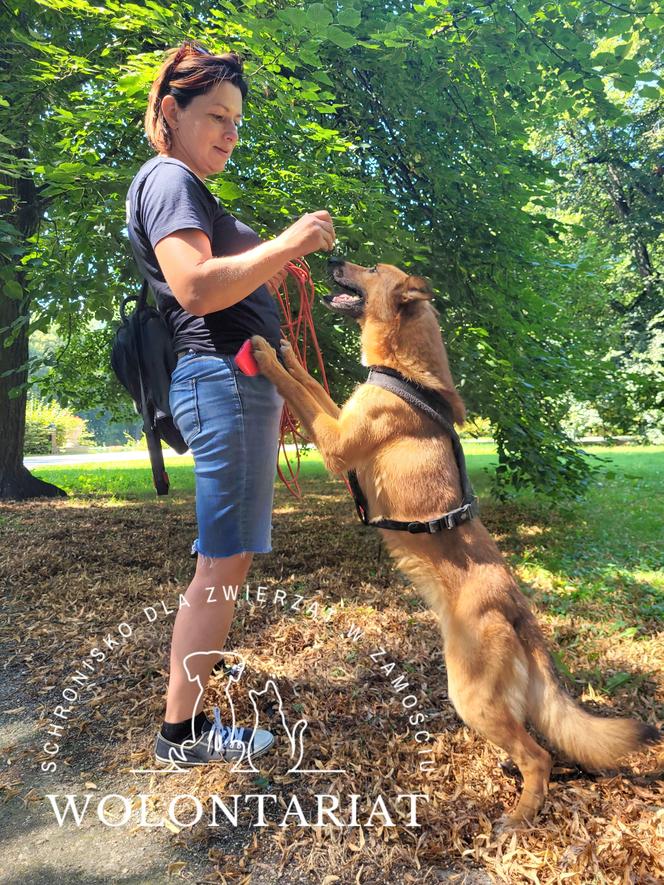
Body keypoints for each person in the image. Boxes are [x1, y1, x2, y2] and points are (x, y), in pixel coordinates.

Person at [125, 40, 336, 767]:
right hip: (219, 378)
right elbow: (196, 286)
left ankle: (185, 722)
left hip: (232, 380)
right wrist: (285, 243)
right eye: (215, 114)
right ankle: (180, 734)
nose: (229, 132)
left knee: (227, 560)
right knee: (221, 563)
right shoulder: (169, 180)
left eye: (237, 121)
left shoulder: (184, 186)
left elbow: (219, 283)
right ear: (170, 113)